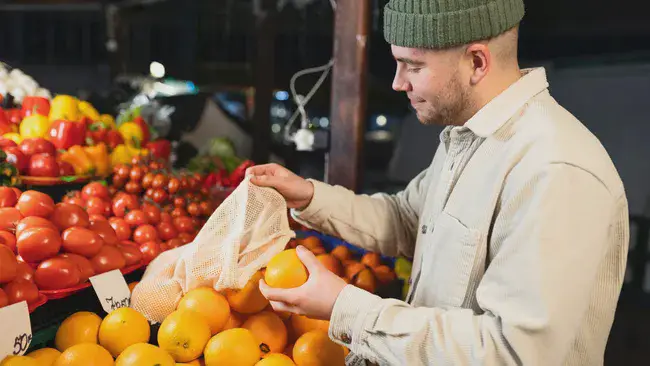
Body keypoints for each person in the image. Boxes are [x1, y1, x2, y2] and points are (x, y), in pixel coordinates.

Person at [247, 0, 630, 364]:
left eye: (412, 66)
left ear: (477, 62)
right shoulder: (469, 139)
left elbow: (512, 354)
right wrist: (309, 196)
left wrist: (346, 308)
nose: (398, 83)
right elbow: (407, 219)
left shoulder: (554, 170)